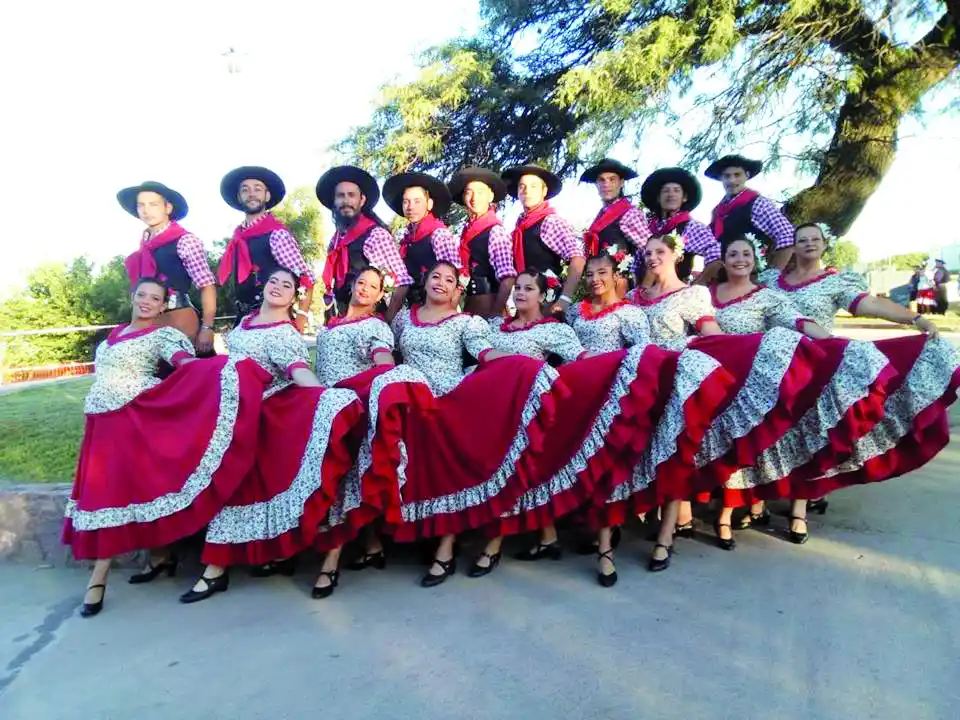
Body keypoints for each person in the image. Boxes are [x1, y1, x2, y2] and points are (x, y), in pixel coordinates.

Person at [336, 261, 565, 589]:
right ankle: (401, 540)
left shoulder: (466, 323)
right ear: (425, 281)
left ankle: (445, 548)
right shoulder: (403, 319)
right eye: (435, 276)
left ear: (458, 289)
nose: (440, 283)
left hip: (448, 402)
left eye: (449, 279)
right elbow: (389, 357)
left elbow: (486, 355)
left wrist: (524, 367)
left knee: (448, 477)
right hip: (411, 404)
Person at [62, 277, 271, 617]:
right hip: (100, 425)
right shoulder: (110, 339)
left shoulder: (163, 335)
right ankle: (161, 558)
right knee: (133, 491)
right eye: (141, 295)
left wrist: (225, 369)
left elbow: (187, 367)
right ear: (132, 297)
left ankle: (97, 580)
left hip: (133, 420)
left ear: (163, 306)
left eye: (155, 298)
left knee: (111, 495)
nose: (146, 302)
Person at [180, 269, 364, 604]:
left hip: (264, 416)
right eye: (273, 281)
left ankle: (215, 570)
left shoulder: (285, 333)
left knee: (237, 488)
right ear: (263, 287)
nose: (278, 287)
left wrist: (327, 400)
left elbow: (299, 372)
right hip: (228, 414)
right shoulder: (244, 323)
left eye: (287, 286)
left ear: (294, 297)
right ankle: (241, 562)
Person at [756, 223, 958, 518]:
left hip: (814, 367)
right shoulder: (771, 280)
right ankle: (758, 494)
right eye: (802, 240)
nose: (809, 244)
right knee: (767, 431)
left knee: (808, 432)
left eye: (815, 239)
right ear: (793, 246)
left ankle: (801, 503)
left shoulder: (836, 282)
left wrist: (915, 319)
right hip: (769, 365)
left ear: (825, 244)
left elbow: (871, 304)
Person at [703, 236, 891, 547]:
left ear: (755, 259)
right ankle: (730, 507)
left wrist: (831, 344)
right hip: (714, 379)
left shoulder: (768, 297)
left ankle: (733, 511)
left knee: (750, 446)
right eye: (733, 254)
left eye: (746, 254)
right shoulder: (706, 296)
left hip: (751, 383)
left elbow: (798, 321)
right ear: (722, 261)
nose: (740, 259)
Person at [310, 267, 397, 598]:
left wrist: (385, 369)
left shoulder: (375, 326)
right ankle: (373, 545)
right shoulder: (331, 325)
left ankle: (330, 563)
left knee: (343, 478)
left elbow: (382, 358)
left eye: (373, 287)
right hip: (323, 405)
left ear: (379, 296)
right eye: (361, 282)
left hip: (351, 406)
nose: (365, 289)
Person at [117, 181, 216, 350]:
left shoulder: (185, 240)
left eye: (153, 204)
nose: (146, 210)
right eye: (141, 205)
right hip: (147, 321)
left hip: (178, 317)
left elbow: (206, 285)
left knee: (187, 372)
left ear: (167, 208)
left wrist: (207, 327)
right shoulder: (144, 246)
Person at [217, 166, 315, 329]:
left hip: (273, 320)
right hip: (243, 319)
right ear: (239, 197)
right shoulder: (237, 239)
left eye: (258, 189)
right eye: (245, 190)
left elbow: (306, 279)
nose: (251, 194)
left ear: (267, 195)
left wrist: (301, 319)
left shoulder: (277, 235)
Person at [317, 166, 410, 317]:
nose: (346, 201)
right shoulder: (336, 241)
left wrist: (388, 320)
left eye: (351, 195)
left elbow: (401, 281)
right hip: (343, 317)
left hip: (371, 320)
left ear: (362, 200)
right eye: (340, 196)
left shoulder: (376, 235)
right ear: (334, 201)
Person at [502, 164, 586, 315]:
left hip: (547, 301)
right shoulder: (518, 228)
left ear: (544, 191)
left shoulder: (550, 221)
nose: (527, 191)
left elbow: (577, 258)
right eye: (522, 186)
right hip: (524, 302)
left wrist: (565, 298)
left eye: (533, 186)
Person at [381, 172, 460, 318]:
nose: (410, 207)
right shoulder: (407, 240)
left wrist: (445, 319)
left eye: (417, 201)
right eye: (406, 201)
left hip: (438, 312)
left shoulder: (439, 234)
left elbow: (455, 282)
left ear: (429, 204)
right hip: (414, 309)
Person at [447, 167, 517, 317]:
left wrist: (495, 314)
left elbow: (508, 277)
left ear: (490, 196)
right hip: (471, 304)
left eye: (480, 192)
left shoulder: (495, 231)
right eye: (469, 192)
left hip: (489, 304)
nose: (474, 198)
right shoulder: (467, 232)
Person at [704, 154, 795, 269]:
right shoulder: (718, 212)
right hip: (725, 276)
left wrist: (774, 273)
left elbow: (788, 234)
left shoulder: (758, 203)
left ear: (746, 176)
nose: (732, 180)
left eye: (737, 175)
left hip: (753, 276)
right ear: (721, 179)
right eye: (727, 176)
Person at [579, 158, 650, 296]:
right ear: (596, 184)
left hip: (620, 288)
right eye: (601, 180)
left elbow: (648, 250)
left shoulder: (629, 213)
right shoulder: (601, 215)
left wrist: (639, 282)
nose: (606, 184)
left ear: (621, 183)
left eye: (612, 179)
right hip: (600, 286)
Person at [639, 167, 721, 285]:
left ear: (684, 198)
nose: (671, 194)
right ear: (658, 198)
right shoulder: (647, 229)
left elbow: (715, 256)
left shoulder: (692, 227)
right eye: (666, 191)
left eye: (676, 190)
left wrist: (696, 286)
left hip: (675, 295)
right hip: (646, 293)